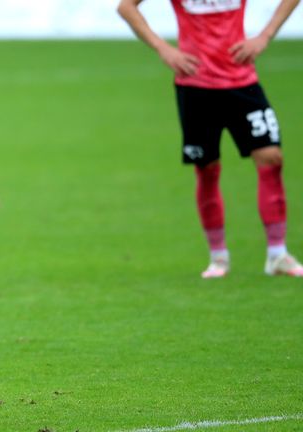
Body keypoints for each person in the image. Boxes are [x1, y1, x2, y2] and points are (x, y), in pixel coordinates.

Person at [117, 0, 303, 278]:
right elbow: (126, 7)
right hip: (195, 86)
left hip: (242, 82)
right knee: (207, 169)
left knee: (271, 158)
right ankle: (218, 257)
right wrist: (164, 48)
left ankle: (277, 254)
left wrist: (265, 35)